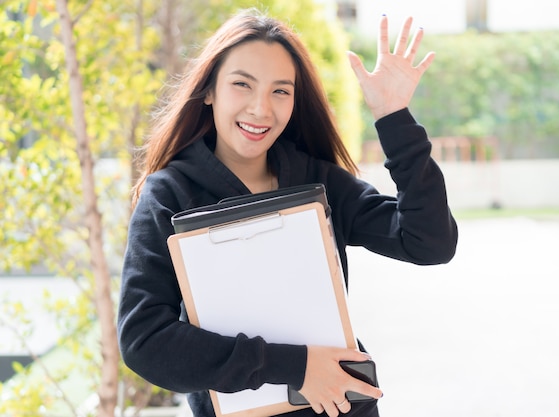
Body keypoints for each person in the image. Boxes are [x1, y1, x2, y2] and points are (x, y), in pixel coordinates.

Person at [118, 8, 458, 417]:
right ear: (209, 91)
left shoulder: (318, 181)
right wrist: (295, 367)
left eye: (281, 91)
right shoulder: (169, 195)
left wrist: (394, 118)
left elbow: (429, 242)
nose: (261, 109)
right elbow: (145, 342)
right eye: (242, 85)